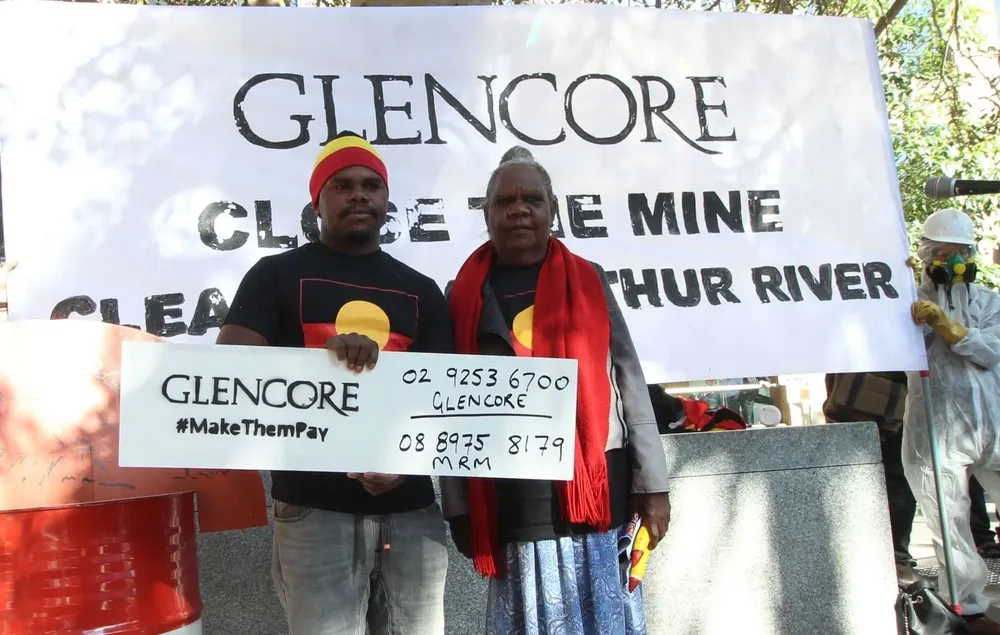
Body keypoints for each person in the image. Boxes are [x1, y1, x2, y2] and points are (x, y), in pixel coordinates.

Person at [217, 132, 453, 635]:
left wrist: (403, 465)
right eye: (342, 185)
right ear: (316, 202)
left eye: (371, 185)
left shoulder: (421, 290)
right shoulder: (274, 276)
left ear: (387, 200)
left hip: (411, 510)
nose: (359, 194)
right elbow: (230, 370)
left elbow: (444, 397)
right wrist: (320, 364)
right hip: (313, 508)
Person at [440, 146, 672, 635]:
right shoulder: (460, 295)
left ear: (552, 209)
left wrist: (653, 486)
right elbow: (449, 408)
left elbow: (629, 380)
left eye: (532, 199)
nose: (519, 210)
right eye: (505, 201)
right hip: (513, 497)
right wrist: (458, 507)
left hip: (598, 489)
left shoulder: (590, 280)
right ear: (486, 214)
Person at [903, 207, 1000, 634]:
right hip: (938, 427)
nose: (954, 262)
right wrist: (901, 293)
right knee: (949, 520)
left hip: (993, 424)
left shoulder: (990, 303)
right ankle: (970, 607)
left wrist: (950, 328)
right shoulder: (909, 304)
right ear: (927, 256)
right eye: (943, 253)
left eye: (960, 252)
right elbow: (897, 348)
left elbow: (991, 350)